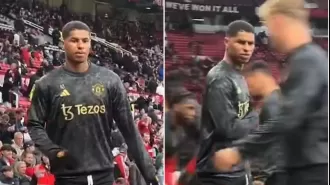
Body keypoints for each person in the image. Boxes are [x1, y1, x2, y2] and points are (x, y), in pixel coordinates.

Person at [27, 21, 157, 185]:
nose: (80, 46)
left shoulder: (110, 80)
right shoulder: (47, 84)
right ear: (63, 42)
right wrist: (53, 151)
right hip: (67, 178)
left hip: (104, 174)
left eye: (85, 41)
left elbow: (129, 129)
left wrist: (149, 174)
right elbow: (34, 124)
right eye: (74, 40)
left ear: (90, 44)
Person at [213, 0, 328, 185]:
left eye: (268, 26)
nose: (269, 35)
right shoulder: (306, 58)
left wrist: (239, 152)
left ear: (279, 21)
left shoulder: (308, 60)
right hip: (304, 168)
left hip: (310, 172)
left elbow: (288, 118)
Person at [196, 20, 259, 185]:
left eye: (250, 43)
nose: (246, 48)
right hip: (218, 174)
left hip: (236, 169)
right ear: (227, 42)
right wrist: (256, 118)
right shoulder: (220, 78)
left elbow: (245, 116)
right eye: (241, 42)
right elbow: (228, 129)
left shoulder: (238, 75)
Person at [242, 62, 286, 185]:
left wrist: (263, 176)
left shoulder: (273, 104)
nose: (247, 88)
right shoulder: (279, 99)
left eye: (247, 81)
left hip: (275, 175)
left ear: (258, 77)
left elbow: (276, 142)